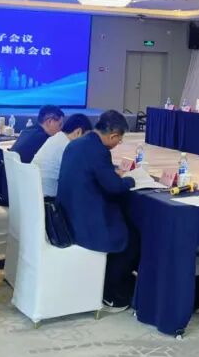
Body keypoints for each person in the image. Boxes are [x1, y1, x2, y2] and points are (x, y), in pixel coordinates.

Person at [58, 110, 138, 310]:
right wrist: (131, 180)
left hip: (67, 214)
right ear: (113, 135)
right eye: (119, 139)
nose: (118, 143)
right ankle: (110, 292)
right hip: (86, 221)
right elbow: (114, 187)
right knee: (132, 239)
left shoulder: (77, 144)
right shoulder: (98, 151)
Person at [34, 113, 91, 198]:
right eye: (87, 137)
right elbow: (79, 178)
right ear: (78, 132)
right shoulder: (69, 147)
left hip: (36, 193)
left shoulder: (56, 138)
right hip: (49, 198)